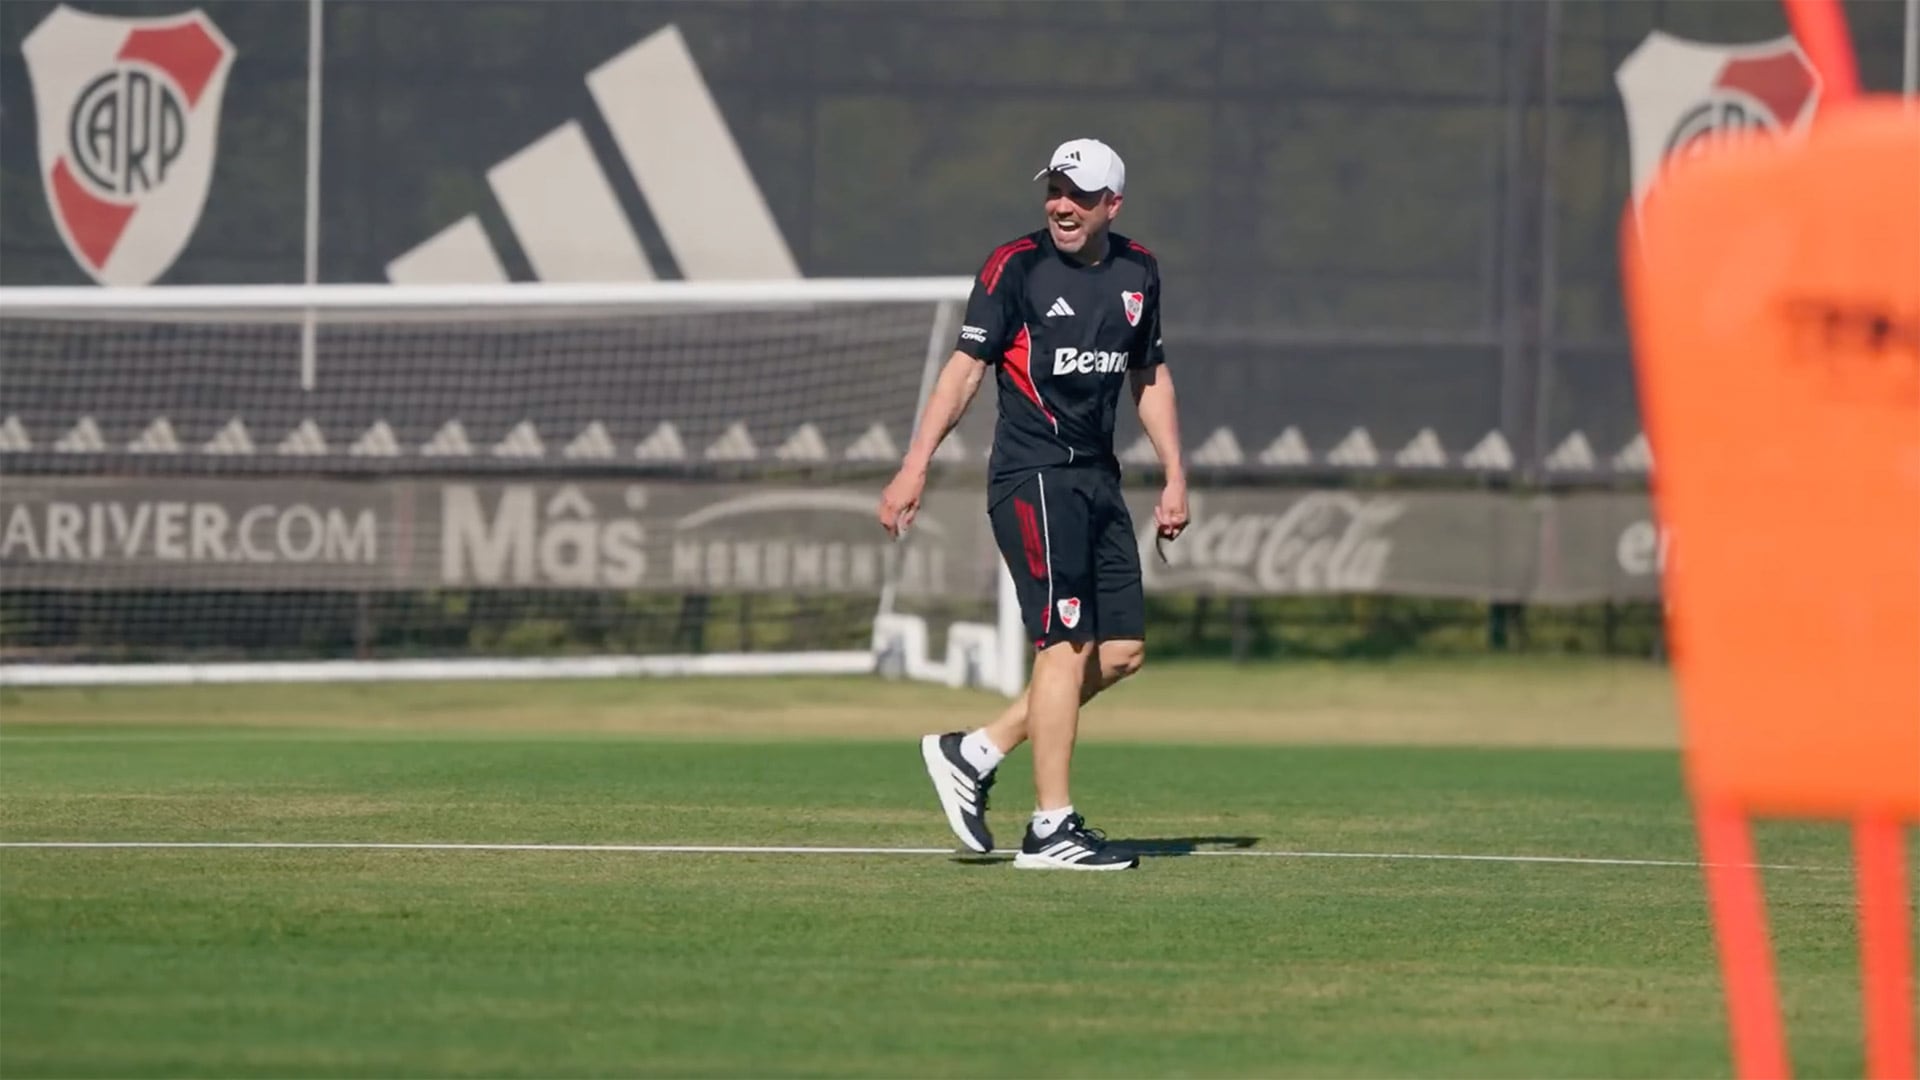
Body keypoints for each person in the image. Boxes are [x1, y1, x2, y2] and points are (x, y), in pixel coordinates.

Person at [877, 137, 1189, 871]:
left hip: (1099, 477)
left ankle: (976, 751)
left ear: (1112, 204)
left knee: (1121, 653)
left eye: (1079, 194)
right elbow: (964, 371)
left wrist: (1176, 472)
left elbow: (1149, 375)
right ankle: (1052, 828)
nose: (1062, 206)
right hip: (1035, 474)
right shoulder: (1014, 266)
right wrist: (915, 465)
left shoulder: (1140, 271)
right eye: (1055, 190)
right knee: (1065, 645)